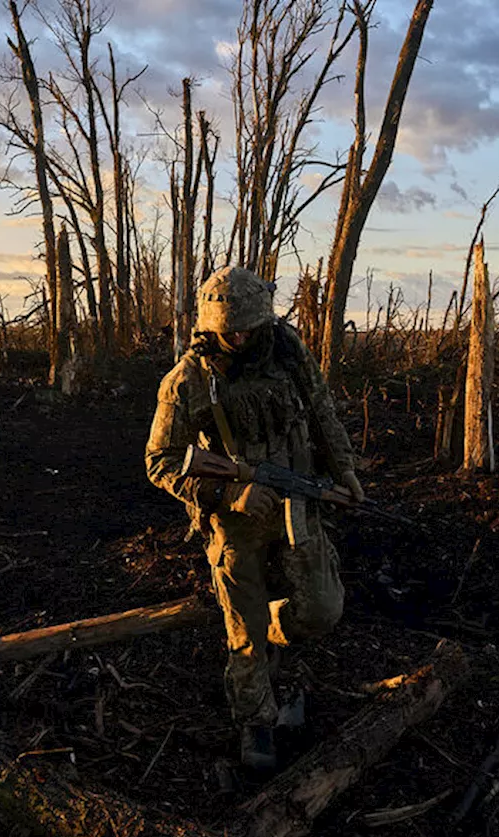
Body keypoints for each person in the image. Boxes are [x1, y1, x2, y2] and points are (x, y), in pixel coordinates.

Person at [144, 265, 363, 771]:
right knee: (243, 632)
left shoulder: (287, 353)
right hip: (234, 520)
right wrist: (228, 495)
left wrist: (344, 468)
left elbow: (321, 406)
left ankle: (272, 631)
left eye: (246, 327)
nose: (238, 337)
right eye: (228, 330)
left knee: (322, 611)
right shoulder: (188, 381)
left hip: (297, 503)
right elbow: (159, 463)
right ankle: (256, 722)